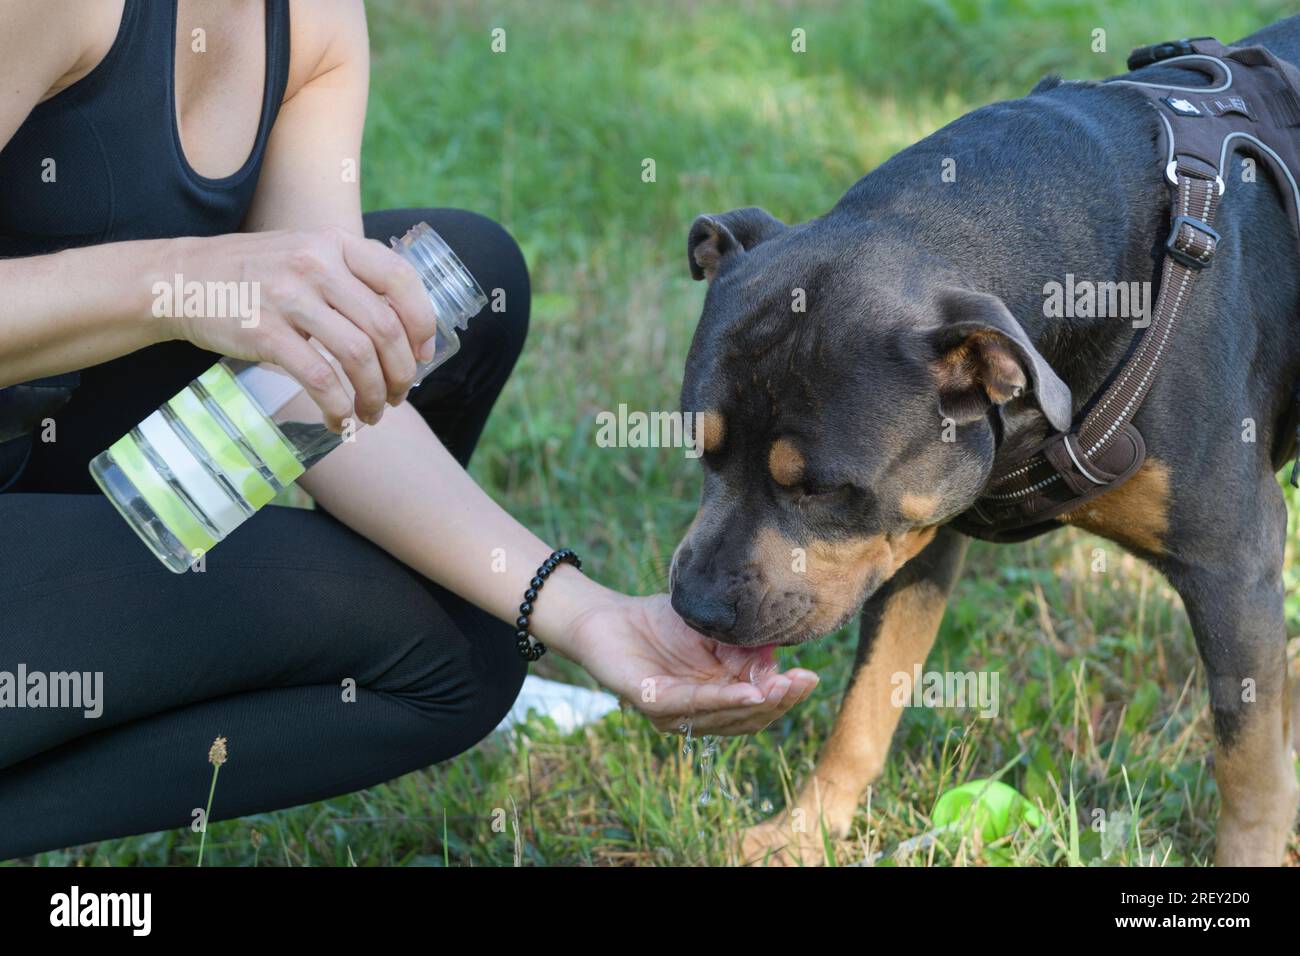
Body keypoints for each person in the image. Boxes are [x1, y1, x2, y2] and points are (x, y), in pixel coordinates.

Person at [0, 0, 817, 859]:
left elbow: (323, 383)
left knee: (452, 294)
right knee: (446, 638)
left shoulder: (311, 21)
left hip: (41, 433)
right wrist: (179, 278)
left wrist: (582, 615)